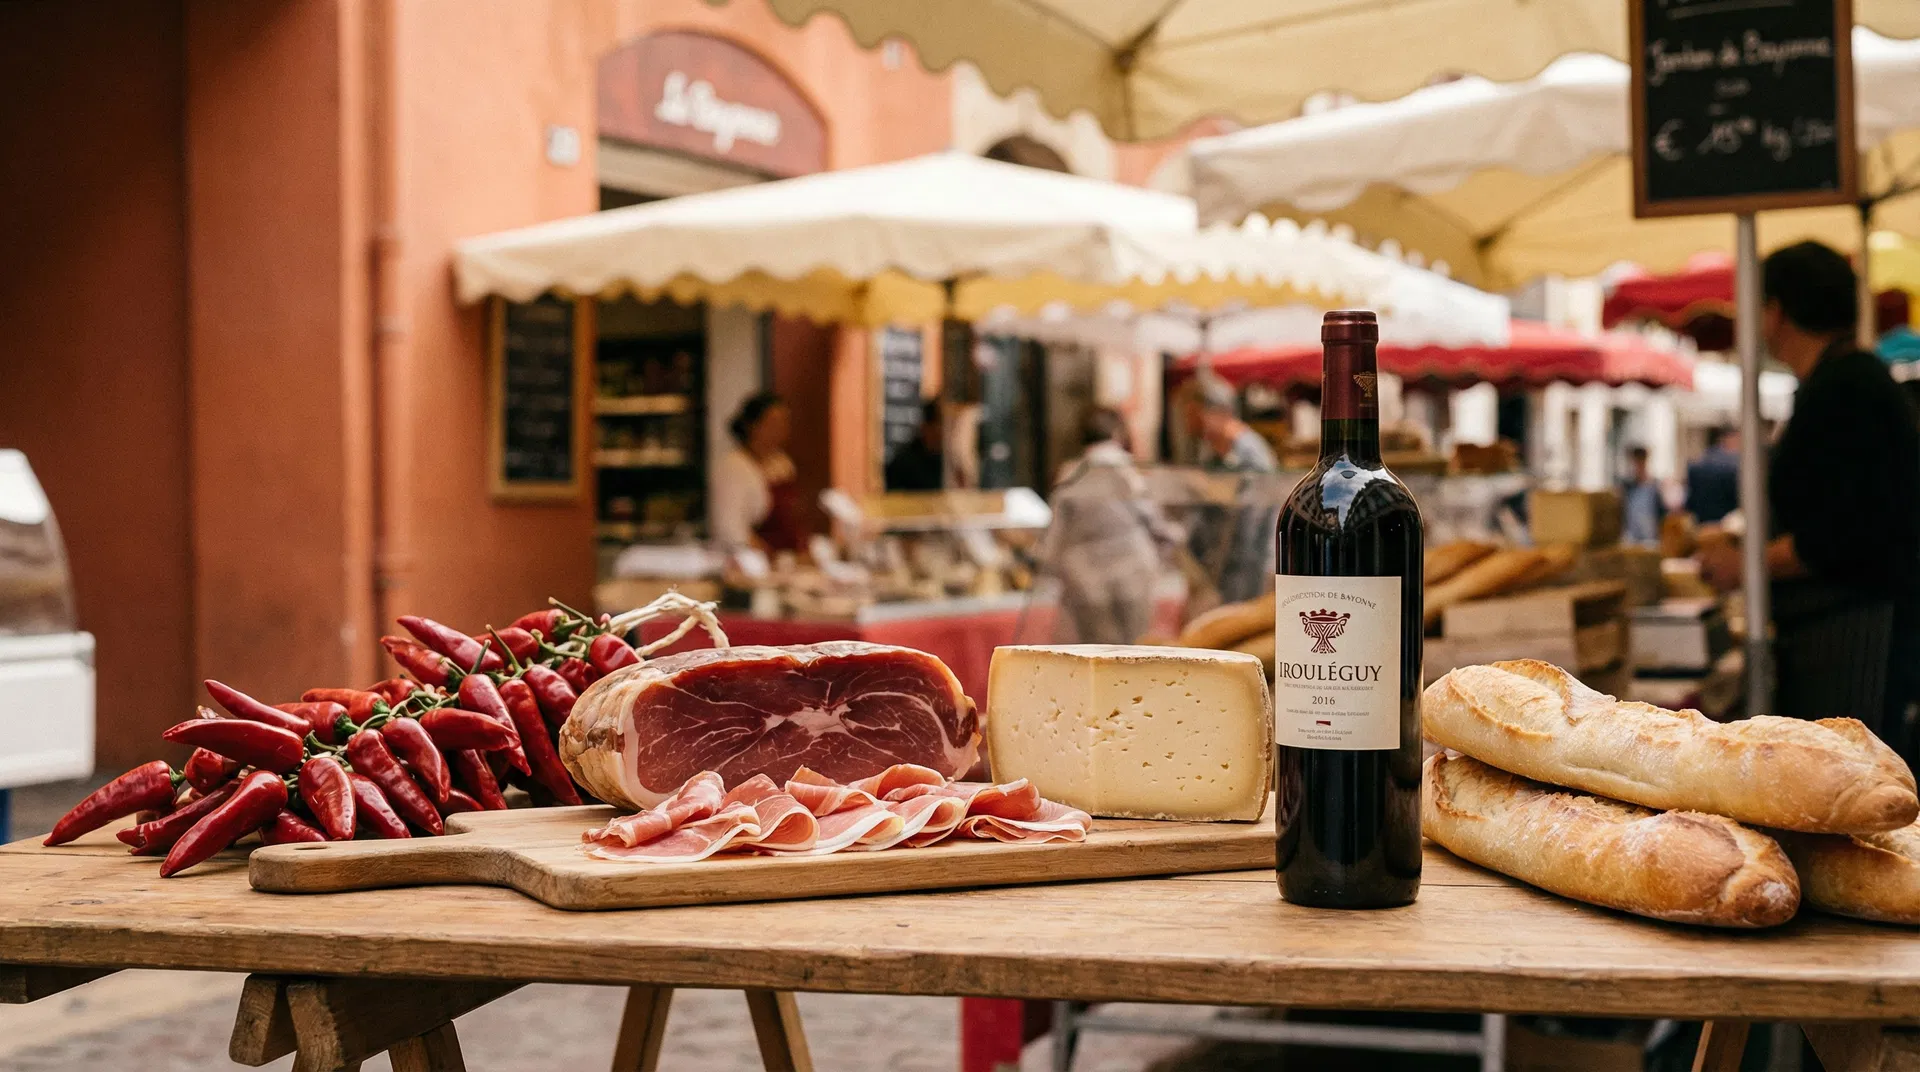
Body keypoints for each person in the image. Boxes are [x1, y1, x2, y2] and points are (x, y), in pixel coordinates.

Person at [1698, 241, 1920, 749]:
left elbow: (1845, 532)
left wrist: (1745, 563)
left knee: (1849, 785)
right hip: (1835, 627)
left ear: (1775, 312)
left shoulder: (1847, 389)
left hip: (1854, 629)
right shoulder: (1841, 380)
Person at [1043, 409, 1180, 644]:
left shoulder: (1071, 474)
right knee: (1136, 649)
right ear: (1118, 433)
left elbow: (1053, 539)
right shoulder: (1127, 471)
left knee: (1098, 653)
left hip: (1085, 580)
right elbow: (1153, 521)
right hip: (1133, 574)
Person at [1182, 374, 1278, 605]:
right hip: (1219, 569)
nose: (1189, 424)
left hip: (1245, 571)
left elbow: (1248, 531)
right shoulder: (1212, 452)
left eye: (1195, 415)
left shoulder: (1252, 457)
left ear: (1220, 413)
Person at [711, 392, 802, 554]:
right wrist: (768, 556)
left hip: (789, 559)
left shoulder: (782, 463)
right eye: (773, 423)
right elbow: (731, 529)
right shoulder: (734, 467)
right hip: (754, 562)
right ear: (752, 425)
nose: (780, 430)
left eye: (784, 423)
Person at [884, 400, 945, 492]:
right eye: (941, 424)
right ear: (926, 427)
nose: (946, 431)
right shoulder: (902, 464)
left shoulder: (947, 462)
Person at [1684, 428, 1741, 525]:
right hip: (1723, 526)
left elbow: (1690, 499)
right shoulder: (1733, 464)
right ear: (1730, 439)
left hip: (1700, 524)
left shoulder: (1698, 462)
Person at [1620, 445, 1665, 545]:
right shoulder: (1628, 487)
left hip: (1652, 539)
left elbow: (1661, 513)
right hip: (1631, 539)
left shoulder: (1654, 487)